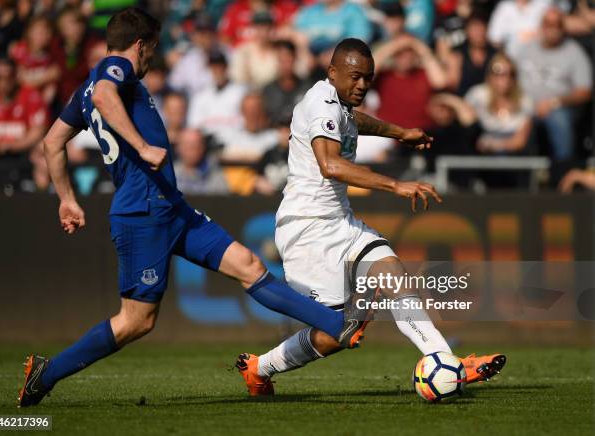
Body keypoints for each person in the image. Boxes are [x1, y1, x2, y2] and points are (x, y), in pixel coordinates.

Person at [17, 8, 370, 408]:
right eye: (152, 49)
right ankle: (46, 374)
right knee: (137, 321)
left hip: (170, 206)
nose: (153, 58)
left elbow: (51, 143)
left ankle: (336, 324)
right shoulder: (113, 70)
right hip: (143, 213)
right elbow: (103, 95)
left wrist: (66, 199)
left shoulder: (85, 88)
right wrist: (141, 145)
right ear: (140, 45)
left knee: (249, 267)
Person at [235, 38, 506, 395]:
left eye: (368, 78)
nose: (362, 85)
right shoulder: (319, 105)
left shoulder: (339, 103)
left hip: (340, 221)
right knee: (342, 331)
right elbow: (330, 166)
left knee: (393, 272)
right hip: (307, 231)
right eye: (355, 77)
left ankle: (445, 360)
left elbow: (352, 120)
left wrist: (399, 132)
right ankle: (259, 368)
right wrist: (396, 185)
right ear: (332, 72)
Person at [516, 7, 592, 162]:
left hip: (559, 108)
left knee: (559, 119)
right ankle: (517, 176)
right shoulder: (527, 49)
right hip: (525, 106)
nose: (552, 29)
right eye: (547, 24)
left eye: (556, 24)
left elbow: (585, 91)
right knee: (513, 119)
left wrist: (553, 103)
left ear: (563, 28)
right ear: (541, 26)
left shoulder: (574, 52)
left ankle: (563, 171)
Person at [373, 33, 447, 130]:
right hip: (387, 135)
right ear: (394, 54)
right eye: (401, 53)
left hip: (420, 133)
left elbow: (441, 82)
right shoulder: (384, 75)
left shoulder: (424, 74)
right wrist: (395, 45)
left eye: (410, 52)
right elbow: (368, 68)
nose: (405, 57)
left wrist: (416, 45)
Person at [465, 53, 533, 155]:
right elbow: (465, 121)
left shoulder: (525, 102)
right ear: (489, 75)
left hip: (513, 157)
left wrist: (493, 145)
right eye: (498, 71)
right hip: (478, 154)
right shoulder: (477, 96)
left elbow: (519, 142)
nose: (505, 78)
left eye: (511, 73)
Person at [0, 59, 48, 162]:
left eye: (8, 77)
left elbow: (38, 131)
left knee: (43, 151)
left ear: (15, 76)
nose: (4, 82)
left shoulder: (31, 96)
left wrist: (10, 146)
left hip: (25, 153)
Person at [173, 128, 228, 195]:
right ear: (178, 148)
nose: (192, 150)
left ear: (203, 147)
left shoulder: (214, 172)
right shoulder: (170, 173)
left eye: (195, 145)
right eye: (187, 145)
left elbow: (222, 201)